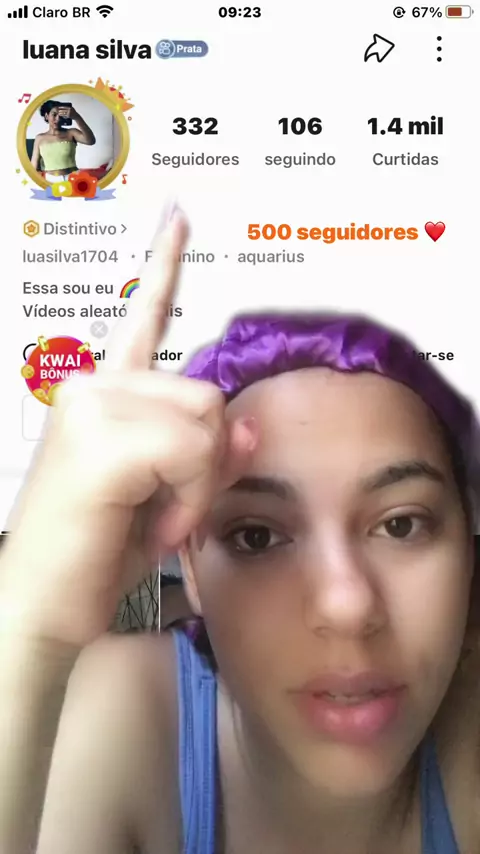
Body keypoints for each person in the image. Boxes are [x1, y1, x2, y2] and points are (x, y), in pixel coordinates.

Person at [0, 208, 479, 854]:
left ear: (468, 545)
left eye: (400, 525)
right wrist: (28, 635)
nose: (346, 605)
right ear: (192, 571)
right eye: (256, 536)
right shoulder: (123, 718)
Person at [30, 99, 96, 183]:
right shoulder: (40, 138)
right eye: (54, 115)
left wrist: (77, 117)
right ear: (46, 116)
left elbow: (91, 141)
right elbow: (33, 166)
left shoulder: (71, 133)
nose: (58, 119)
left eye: (61, 116)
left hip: (73, 178)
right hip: (50, 180)